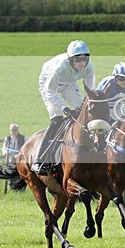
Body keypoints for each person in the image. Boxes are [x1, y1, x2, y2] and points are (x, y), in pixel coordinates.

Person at [31, 40, 96, 175]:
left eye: (84, 59)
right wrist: (64, 108)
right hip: (48, 84)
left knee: (81, 115)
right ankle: (38, 160)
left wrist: (83, 104)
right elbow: (50, 92)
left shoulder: (89, 68)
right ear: (70, 59)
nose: (82, 64)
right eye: (78, 60)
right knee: (57, 119)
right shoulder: (59, 68)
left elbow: (89, 91)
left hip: (68, 83)